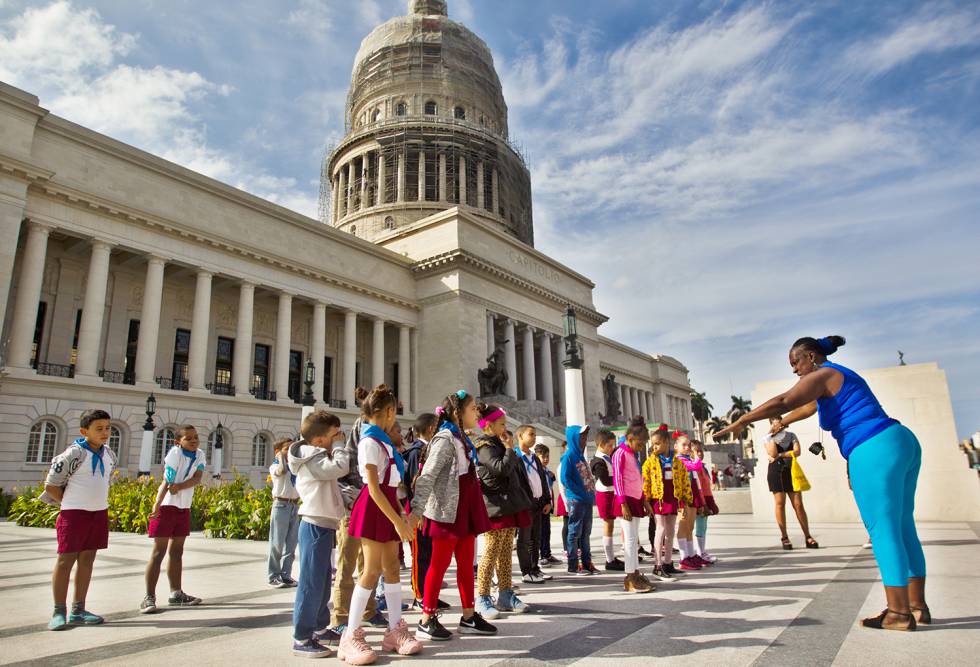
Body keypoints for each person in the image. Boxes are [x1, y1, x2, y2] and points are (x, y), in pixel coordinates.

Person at [713, 335, 929, 631]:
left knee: (883, 530)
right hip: (899, 441)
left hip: (873, 446)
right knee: (904, 526)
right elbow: (807, 408)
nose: (794, 371)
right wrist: (784, 422)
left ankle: (898, 613)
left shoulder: (823, 374)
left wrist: (741, 421)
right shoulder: (839, 375)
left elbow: (784, 399)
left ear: (811, 356)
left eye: (795, 363)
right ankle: (917, 606)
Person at [339, 385, 422, 663]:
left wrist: (402, 514)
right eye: (394, 412)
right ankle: (350, 635)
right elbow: (373, 488)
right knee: (371, 570)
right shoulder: (370, 442)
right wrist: (397, 521)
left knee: (391, 569)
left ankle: (395, 629)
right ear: (388, 412)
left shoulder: (383, 441)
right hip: (374, 507)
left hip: (385, 506)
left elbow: (390, 488)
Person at [409, 390, 497, 641]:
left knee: (467, 564)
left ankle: (469, 616)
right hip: (448, 511)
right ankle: (426, 618)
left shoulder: (462, 438)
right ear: (458, 413)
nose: (476, 413)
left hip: (464, 508)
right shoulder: (445, 439)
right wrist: (416, 511)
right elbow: (427, 476)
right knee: (439, 564)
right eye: (472, 409)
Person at [42, 409, 117, 630]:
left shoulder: (109, 454)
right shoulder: (73, 454)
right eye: (99, 429)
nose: (105, 433)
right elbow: (51, 485)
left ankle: (78, 609)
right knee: (65, 561)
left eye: (107, 428)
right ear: (85, 431)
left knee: (87, 561)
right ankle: (58, 610)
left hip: (98, 512)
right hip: (74, 514)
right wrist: (68, 502)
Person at [288, 411, 350, 657]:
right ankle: (302, 637)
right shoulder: (311, 458)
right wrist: (340, 446)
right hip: (314, 524)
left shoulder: (317, 456)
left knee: (323, 580)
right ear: (318, 440)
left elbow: (330, 486)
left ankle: (319, 627)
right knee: (311, 582)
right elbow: (340, 468)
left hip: (324, 523)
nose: (338, 438)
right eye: (333, 435)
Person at [328, 389, 381, 636]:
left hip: (369, 505)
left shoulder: (371, 436)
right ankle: (339, 615)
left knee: (368, 564)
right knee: (347, 563)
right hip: (355, 507)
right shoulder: (363, 435)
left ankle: (369, 610)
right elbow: (347, 476)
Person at [474, 403, 533, 618]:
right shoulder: (484, 446)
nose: (505, 427)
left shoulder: (497, 443)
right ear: (489, 425)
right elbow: (500, 468)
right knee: (491, 550)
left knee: (506, 550)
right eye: (501, 424)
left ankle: (505, 594)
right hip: (495, 505)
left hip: (508, 503)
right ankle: (482, 597)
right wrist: (510, 449)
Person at [141, 425, 205, 614]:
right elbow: (167, 481)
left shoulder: (199, 454)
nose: (193, 441)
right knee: (158, 552)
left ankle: (176, 593)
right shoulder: (174, 454)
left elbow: (197, 478)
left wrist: (181, 486)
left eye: (195, 437)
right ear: (178, 442)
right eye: (188, 438)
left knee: (177, 552)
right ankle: (149, 597)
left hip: (183, 506)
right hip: (167, 506)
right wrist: (157, 505)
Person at [403, 413, 447, 611]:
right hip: (419, 513)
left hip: (431, 512)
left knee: (430, 555)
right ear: (431, 429)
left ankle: (430, 594)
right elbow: (415, 483)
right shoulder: (416, 452)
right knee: (420, 556)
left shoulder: (429, 449)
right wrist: (416, 511)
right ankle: (419, 595)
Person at [612, 417, 654, 593]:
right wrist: (623, 504)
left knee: (634, 539)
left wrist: (644, 500)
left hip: (635, 499)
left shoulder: (632, 455)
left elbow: (638, 480)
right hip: (625, 500)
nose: (642, 446)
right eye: (640, 442)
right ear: (630, 438)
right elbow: (618, 479)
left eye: (644, 443)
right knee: (629, 540)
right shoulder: (620, 454)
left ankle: (635, 573)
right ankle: (629, 577)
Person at [643, 426, 690, 582]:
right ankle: (657, 565)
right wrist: (646, 500)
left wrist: (685, 498)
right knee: (660, 529)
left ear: (666, 442)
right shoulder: (650, 462)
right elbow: (646, 482)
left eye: (657, 443)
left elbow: (684, 480)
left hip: (673, 498)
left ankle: (668, 562)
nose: (654, 447)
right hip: (659, 500)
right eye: (653, 444)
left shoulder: (676, 461)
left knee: (671, 530)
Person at [764, 417, 818, 550]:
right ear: (771, 424)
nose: (778, 425)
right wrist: (771, 435)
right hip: (775, 472)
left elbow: (797, 452)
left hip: (791, 471)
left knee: (798, 505)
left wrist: (781, 455)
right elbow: (772, 453)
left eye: (779, 421)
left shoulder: (791, 435)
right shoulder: (767, 438)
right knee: (780, 504)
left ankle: (807, 536)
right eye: (775, 422)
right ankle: (784, 537)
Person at [515, 425, 552, 584]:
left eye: (535, 434)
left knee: (536, 539)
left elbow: (542, 481)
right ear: (520, 436)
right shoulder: (516, 457)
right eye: (531, 434)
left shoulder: (534, 458)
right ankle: (526, 571)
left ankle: (534, 568)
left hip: (538, 504)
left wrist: (547, 500)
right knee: (524, 540)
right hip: (525, 505)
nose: (534, 437)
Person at [590, 428, 624, 571]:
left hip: (612, 493)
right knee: (608, 525)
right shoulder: (597, 461)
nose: (612, 448)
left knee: (611, 524)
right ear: (601, 444)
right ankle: (609, 559)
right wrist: (620, 479)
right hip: (604, 494)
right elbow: (604, 480)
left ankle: (611, 557)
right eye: (610, 445)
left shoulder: (607, 457)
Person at [268, 438, 300, 589]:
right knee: (277, 543)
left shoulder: (294, 467)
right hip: (281, 505)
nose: (290, 451)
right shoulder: (275, 466)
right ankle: (273, 575)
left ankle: (286, 574)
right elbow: (282, 471)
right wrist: (280, 457)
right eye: (287, 448)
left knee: (291, 544)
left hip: (294, 505)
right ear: (278, 451)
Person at [675, 433, 707, 570]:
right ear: (676, 447)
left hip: (692, 496)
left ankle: (690, 554)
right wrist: (695, 453)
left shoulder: (687, 458)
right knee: (683, 526)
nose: (687, 447)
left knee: (690, 527)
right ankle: (683, 557)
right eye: (684, 445)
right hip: (683, 497)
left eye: (689, 445)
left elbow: (697, 479)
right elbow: (696, 467)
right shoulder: (679, 460)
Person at [690, 441, 719, 563]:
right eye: (697, 451)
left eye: (701, 450)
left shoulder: (702, 466)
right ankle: (699, 552)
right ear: (691, 453)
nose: (700, 453)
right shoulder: (694, 467)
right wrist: (703, 503)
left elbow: (707, 484)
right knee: (700, 525)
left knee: (704, 526)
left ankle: (702, 551)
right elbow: (698, 486)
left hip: (707, 497)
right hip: (700, 499)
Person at [535, 444, 561, 566]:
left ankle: (547, 553)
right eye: (543, 456)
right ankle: (541, 556)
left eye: (547, 456)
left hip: (548, 504)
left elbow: (550, 486)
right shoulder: (535, 470)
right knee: (539, 532)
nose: (546, 459)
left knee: (546, 531)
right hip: (540, 505)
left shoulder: (546, 471)